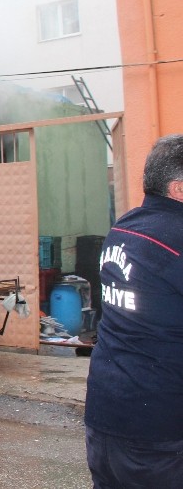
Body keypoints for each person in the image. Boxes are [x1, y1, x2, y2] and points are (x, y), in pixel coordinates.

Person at [85, 134, 183, 487]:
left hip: (105, 415)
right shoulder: (175, 238)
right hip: (158, 432)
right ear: (178, 188)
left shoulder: (124, 227)